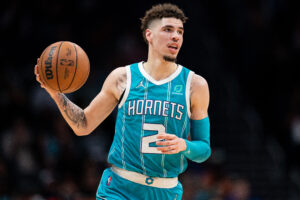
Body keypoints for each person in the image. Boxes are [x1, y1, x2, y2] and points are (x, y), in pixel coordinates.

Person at [34, 3, 211, 200]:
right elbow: (83, 125)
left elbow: (204, 149)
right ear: (149, 35)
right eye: (168, 30)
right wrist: (55, 93)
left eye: (180, 31)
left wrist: (184, 145)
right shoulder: (122, 77)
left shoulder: (196, 85)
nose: (176, 36)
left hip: (165, 191)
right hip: (119, 189)